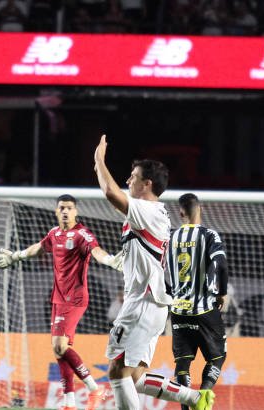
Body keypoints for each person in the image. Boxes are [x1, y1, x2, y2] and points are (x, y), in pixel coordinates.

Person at [92, 134, 214, 410]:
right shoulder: (152, 214)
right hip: (152, 304)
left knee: (117, 371)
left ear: (147, 184)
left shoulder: (147, 210)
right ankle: (195, 399)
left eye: (133, 177)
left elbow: (111, 193)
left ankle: (194, 399)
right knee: (134, 378)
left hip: (143, 303)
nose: (128, 181)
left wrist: (99, 161)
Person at [0, 194, 122, 410]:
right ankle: (69, 403)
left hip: (75, 298)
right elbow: (38, 248)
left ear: (76, 212)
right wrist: (16, 256)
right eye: (62, 207)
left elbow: (96, 251)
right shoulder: (54, 234)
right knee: (59, 351)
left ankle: (94, 388)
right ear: (56, 211)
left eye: (69, 208)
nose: (65, 211)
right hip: (58, 298)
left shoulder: (82, 234)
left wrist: (110, 260)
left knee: (60, 346)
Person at [166, 193, 228, 410]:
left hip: (178, 310)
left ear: (181, 212)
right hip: (203, 309)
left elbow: (157, 270)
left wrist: (170, 293)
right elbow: (221, 263)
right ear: (200, 209)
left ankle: (187, 406)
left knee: (182, 363)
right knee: (217, 357)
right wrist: (221, 292)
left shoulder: (171, 237)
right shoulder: (209, 235)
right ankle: (202, 397)